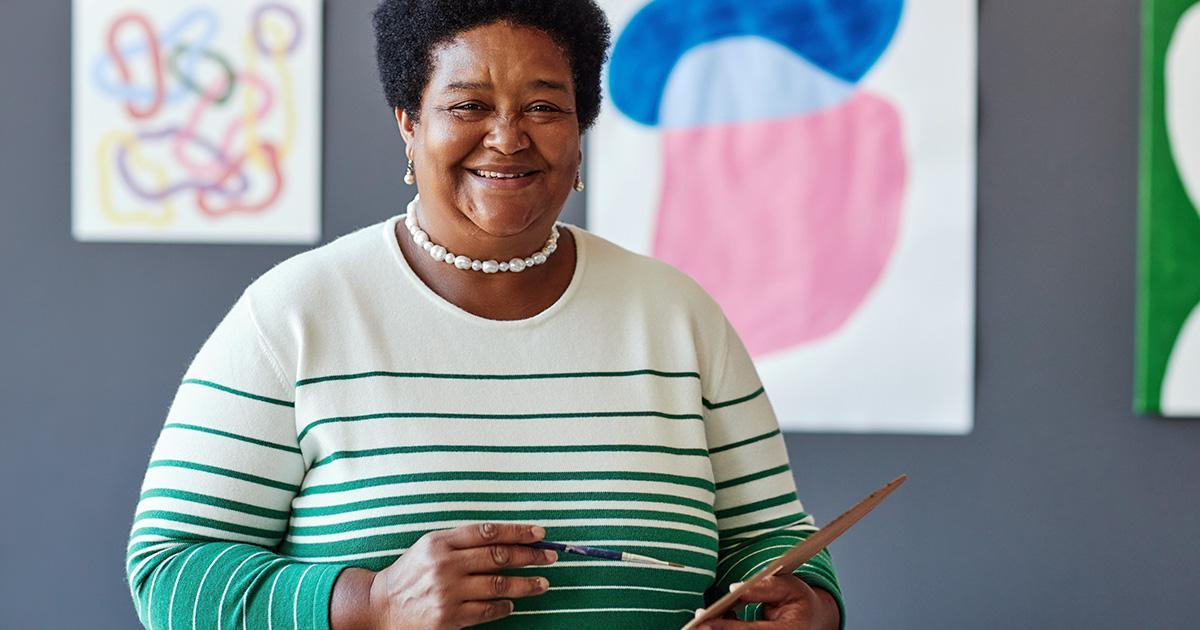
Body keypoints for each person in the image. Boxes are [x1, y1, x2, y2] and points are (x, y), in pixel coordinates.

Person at [124, 1, 843, 628]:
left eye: (544, 107)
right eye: (468, 106)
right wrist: (370, 602)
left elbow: (772, 536)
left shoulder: (679, 316)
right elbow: (168, 572)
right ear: (409, 123)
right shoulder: (295, 315)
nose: (507, 138)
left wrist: (809, 604)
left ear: (580, 128)